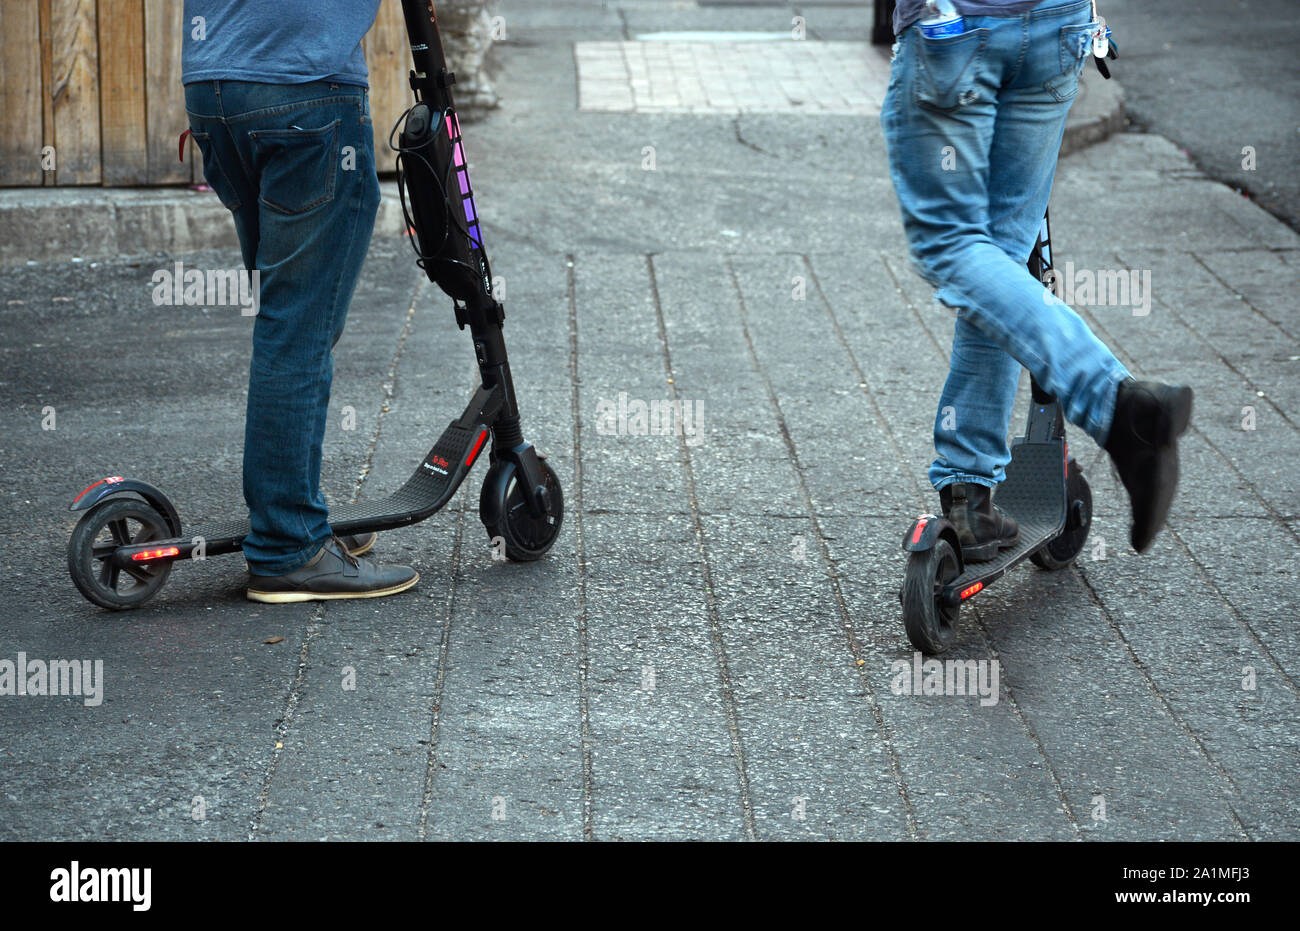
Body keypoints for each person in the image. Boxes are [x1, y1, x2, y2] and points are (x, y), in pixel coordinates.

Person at [881, 0, 1193, 559]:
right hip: (1055, 23)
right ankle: (969, 494)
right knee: (996, 259)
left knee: (950, 246)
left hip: (956, 30)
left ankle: (1118, 406)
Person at [182, 0, 419, 602]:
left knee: (284, 319)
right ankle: (289, 546)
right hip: (306, 94)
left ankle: (293, 515)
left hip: (216, 93)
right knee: (297, 329)